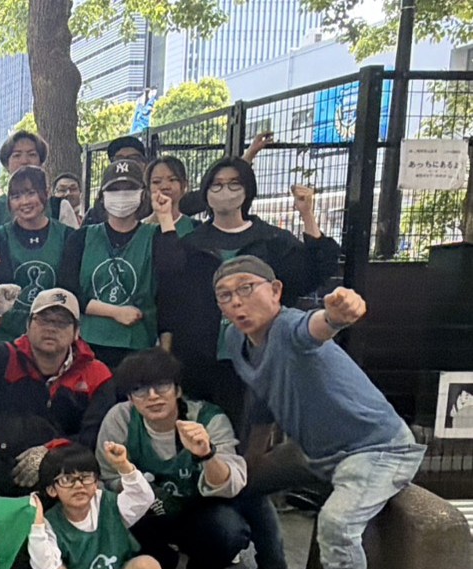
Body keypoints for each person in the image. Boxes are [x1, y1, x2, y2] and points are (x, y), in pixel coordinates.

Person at [216, 255, 425, 569]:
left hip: (375, 448)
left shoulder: (291, 328)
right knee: (240, 483)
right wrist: (251, 458)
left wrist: (336, 313)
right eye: (225, 295)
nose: (237, 302)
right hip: (312, 451)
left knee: (336, 524)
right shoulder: (237, 342)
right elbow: (262, 397)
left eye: (246, 288)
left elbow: (318, 327)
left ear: (274, 292)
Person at [96, 349, 290, 569]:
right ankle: (156, 558)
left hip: (200, 512)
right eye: (140, 390)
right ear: (130, 398)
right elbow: (108, 478)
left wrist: (206, 455)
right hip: (148, 512)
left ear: (177, 390)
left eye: (162, 387)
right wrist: (140, 490)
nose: (152, 397)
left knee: (227, 530)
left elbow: (233, 483)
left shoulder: (209, 419)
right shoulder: (120, 418)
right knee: (134, 536)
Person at [159, 159, 342, 421]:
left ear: (248, 190)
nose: (225, 191)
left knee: (253, 433)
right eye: (217, 185)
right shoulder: (192, 244)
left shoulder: (271, 240)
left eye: (234, 184)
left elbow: (312, 273)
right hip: (201, 359)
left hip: (261, 357)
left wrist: (307, 214)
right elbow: (171, 292)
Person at [0, 288, 117, 495]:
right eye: (43, 320)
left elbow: (94, 436)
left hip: (63, 474)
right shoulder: (4, 357)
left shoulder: (96, 374)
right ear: (28, 325)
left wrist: (51, 452)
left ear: (76, 332)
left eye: (61, 322)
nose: (51, 328)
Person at [59, 157, 182, 368]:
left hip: (139, 350)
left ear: (142, 194)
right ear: (103, 196)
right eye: (115, 189)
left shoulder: (155, 237)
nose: (122, 195)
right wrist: (115, 312)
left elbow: (174, 272)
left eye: (129, 189)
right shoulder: (81, 238)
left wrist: (165, 218)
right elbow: (67, 291)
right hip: (88, 348)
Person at [28, 441, 162, 569]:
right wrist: (37, 525)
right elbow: (44, 567)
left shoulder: (110, 504)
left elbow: (143, 498)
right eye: (67, 479)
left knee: (150, 568)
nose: (78, 485)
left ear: (96, 482)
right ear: (52, 490)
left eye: (85, 477)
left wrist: (124, 466)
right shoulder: (50, 521)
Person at [0, 166, 76, 343]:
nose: (24, 202)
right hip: (9, 333)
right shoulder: (0, 235)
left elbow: (69, 286)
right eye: (16, 196)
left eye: (30, 193)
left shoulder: (66, 235)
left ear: (45, 193)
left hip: (52, 331)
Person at [81, 135, 150, 226]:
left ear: (144, 164)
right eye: (119, 159)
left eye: (134, 159)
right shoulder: (96, 213)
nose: (125, 164)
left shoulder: (157, 204)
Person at [0, 130, 49, 228]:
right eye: (17, 155)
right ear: (6, 164)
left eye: (32, 154)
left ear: (41, 162)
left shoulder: (59, 207)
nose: (24, 161)